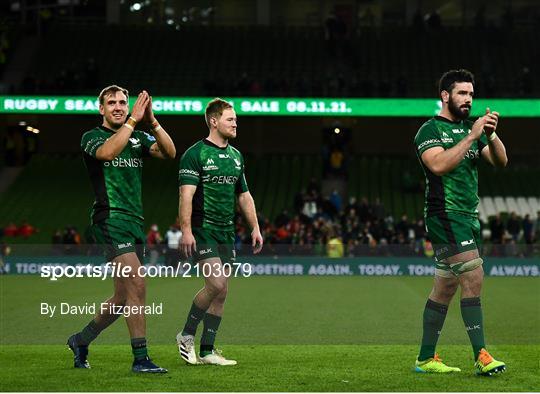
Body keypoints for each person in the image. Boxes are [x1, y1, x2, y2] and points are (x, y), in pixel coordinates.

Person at [68, 85, 175, 373]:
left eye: (123, 103)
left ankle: (81, 340)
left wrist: (151, 120)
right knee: (138, 284)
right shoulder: (91, 137)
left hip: (135, 224)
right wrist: (131, 122)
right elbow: (105, 153)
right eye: (111, 102)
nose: (118, 106)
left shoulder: (139, 138)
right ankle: (141, 359)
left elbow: (169, 152)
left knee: (121, 297)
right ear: (101, 109)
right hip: (109, 220)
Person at [413, 69, 508, 375]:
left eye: (471, 93)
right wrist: (472, 135)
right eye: (462, 93)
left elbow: (500, 161)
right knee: (473, 275)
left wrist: (490, 133)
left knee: (445, 287)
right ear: (445, 96)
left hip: (468, 216)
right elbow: (438, 165)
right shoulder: (428, 131)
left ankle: (425, 359)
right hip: (445, 215)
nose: (469, 99)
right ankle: (481, 356)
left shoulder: (472, 127)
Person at [177, 98, 263, 366]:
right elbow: (186, 195)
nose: (235, 122)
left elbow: (244, 196)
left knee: (222, 292)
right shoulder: (195, 154)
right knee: (215, 284)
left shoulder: (236, 156)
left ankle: (207, 350)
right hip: (204, 230)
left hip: (227, 231)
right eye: (230, 118)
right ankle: (186, 336)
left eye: (235, 119)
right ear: (214, 121)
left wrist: (255, 227)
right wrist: (187, 231)